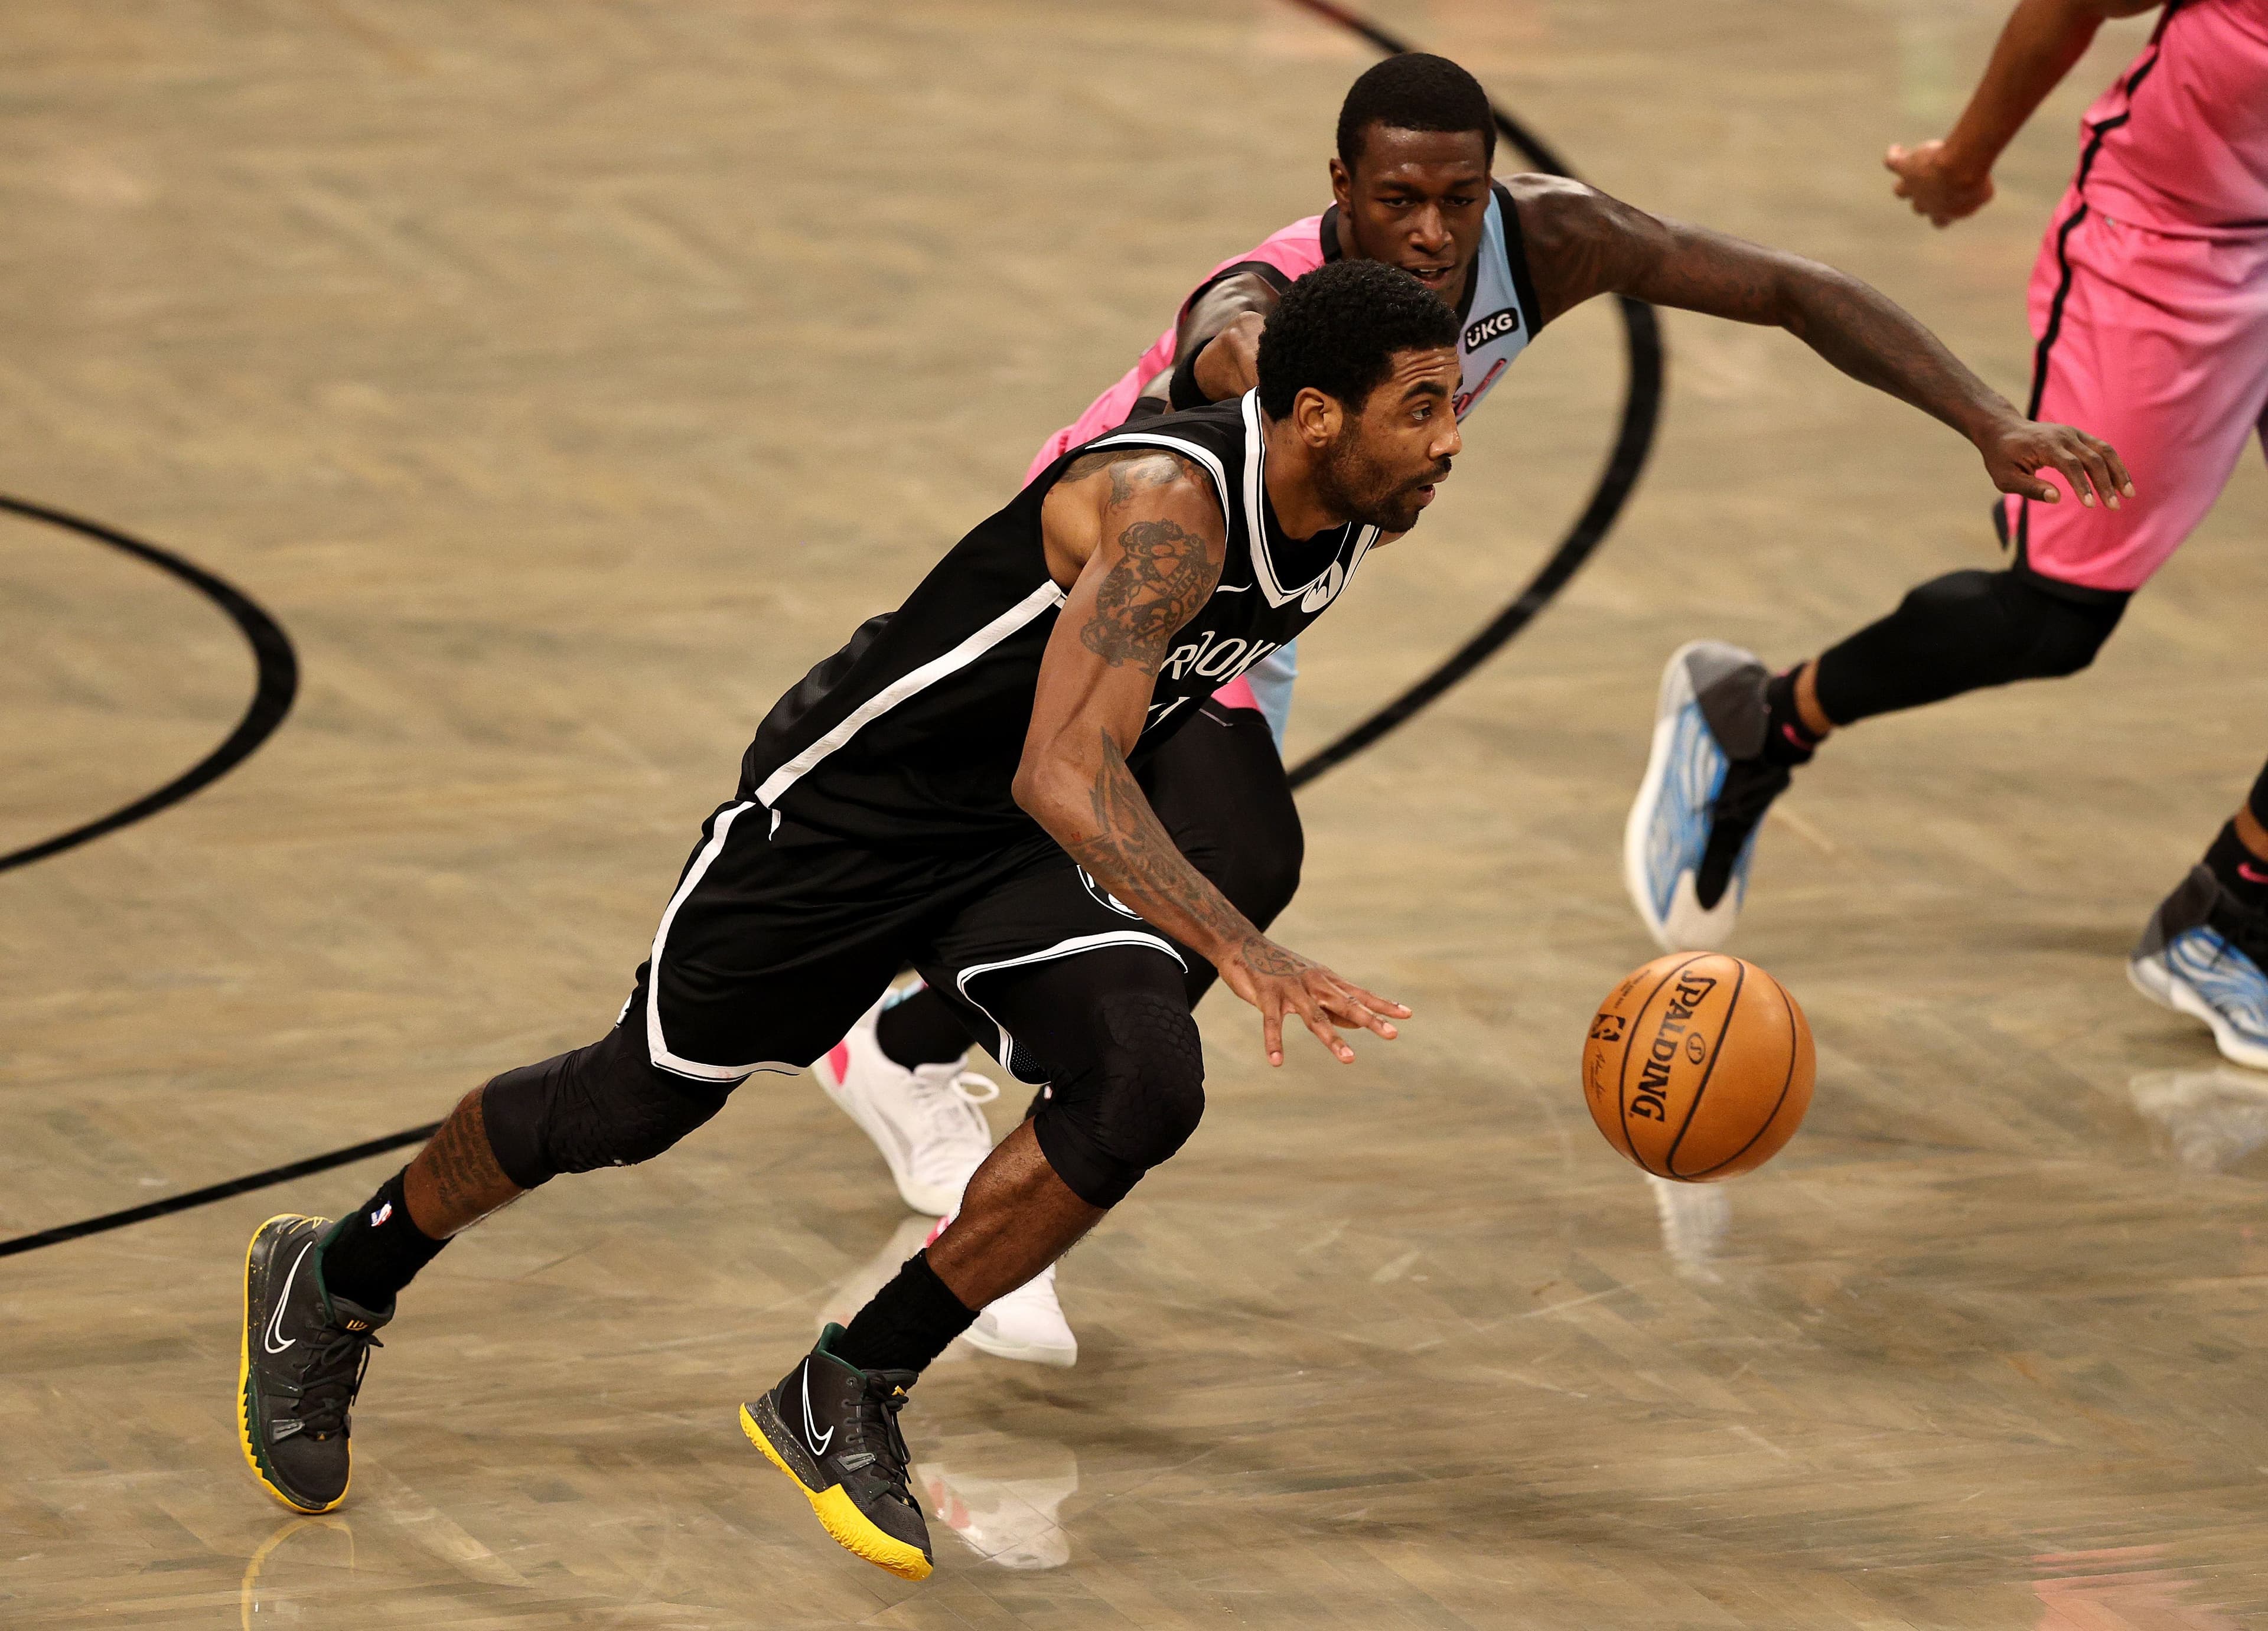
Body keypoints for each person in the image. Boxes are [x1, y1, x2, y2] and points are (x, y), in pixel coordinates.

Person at [820, 48, 2133, 1363]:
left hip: (1248, 617)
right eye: (1400, 199)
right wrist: (1256, 380)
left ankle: (913, 1045)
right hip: (1106, 587)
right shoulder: (1261, 305)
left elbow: (1791, 288)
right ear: (1342, 189)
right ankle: (952, 1140)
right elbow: (1230, 348)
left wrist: (1981, 418)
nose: (1436, 231)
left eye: (1461, 195)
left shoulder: (1546, 245)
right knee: (1192, 851)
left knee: (1228, 865)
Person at [239, 260, 1453, 1577]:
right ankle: (341, 1272)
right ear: (1320, 415)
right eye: (1426, 407)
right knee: (625, 1104)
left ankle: (851, 1381)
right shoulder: (1173, 512)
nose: (1452, 439)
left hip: (1008, 846)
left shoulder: (1351, 500)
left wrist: (1243, 333)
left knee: (1146, 1077)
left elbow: (1241, 356)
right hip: (848, 822)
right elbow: (1066, 766)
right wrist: (1241, 940)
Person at [1622, 0, 2266, 1072]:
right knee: (2054, 618)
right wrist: (1963, 164)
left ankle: (2229, 914)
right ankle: (1759, 721)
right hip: (2172, 246)